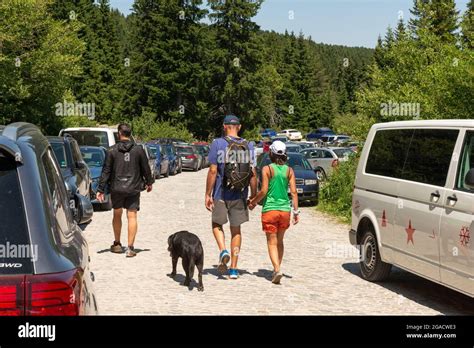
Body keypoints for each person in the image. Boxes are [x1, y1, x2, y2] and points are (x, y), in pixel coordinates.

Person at [205, 115, 257, 279]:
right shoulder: (249, 145)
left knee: (216, 223)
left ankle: (223, 250)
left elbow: (213, 171)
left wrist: (208, 194)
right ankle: (234, 269)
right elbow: (253, 174)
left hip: (221, 193)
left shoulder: (218, 144)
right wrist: (253, 196)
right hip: (240, 194)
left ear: (224, 126)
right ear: (239, 127)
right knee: (236, 230)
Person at [97, 124, 154, 258]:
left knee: (117, 214)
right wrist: (149, 182)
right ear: (130, 133)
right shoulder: (139, 150)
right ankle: (130, 248)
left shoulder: (111, 150)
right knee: (132, 216)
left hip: (116, 188)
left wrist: (100, 189)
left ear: (119, 134)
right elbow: (145, 168)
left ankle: (117, 244)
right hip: (133, 188)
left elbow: (106, 170)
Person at [248, 141, 300, 284]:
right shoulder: (289, 171)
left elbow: (264, 191)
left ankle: (276, 269)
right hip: (285, 210)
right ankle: (277, 268)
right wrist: (296, 212)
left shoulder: (267, 169)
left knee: (272, 242)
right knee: (280, 241)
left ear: (271, 153)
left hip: (270, 210)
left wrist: (252, 201)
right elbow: (294, 193)